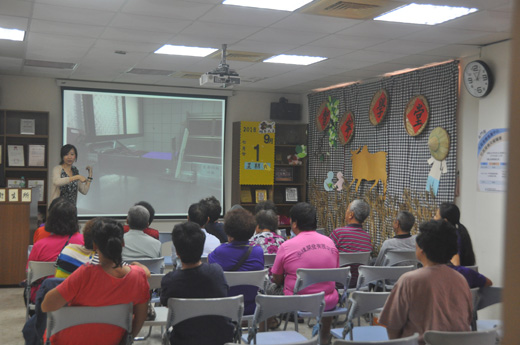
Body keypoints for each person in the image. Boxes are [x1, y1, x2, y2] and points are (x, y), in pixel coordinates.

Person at [41, 218, 150, 345]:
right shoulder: (138, 277)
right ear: (123, 243)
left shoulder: (85, 274)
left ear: (94, 245)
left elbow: (46, 305)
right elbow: (140, 317)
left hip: (68, 340)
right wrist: (128, 339)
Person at [378, 220, 473, 344]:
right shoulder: (461, 280)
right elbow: (467, 319)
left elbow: (393, 325)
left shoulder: (409, 281)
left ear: (421, 248)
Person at [271, 202, 339, 345]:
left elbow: (276, 279)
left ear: (294, 223)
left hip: (297, 302)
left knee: (267, 290)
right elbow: (335, 274)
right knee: (330, 289)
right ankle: (324, 336)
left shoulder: (286, 246)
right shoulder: (330, 243)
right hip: (328, 301)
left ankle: (265, 331)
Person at [161, 221, 235, 345]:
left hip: (184, 338)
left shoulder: (170, 280)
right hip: (220, 338)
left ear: (177, 253)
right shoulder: (217, 272)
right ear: (201, 248)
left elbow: (167, 307)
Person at [208, 208, 264, 315]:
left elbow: (210, 264)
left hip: (224, 308)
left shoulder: (220, 251)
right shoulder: (258, 252)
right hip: (251, 308)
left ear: (228, 232)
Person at [27, 199, 84, 302]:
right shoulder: (84, 241)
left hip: (46, 296)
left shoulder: (39, 245)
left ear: (50, 220)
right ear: (74, 220)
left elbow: (29, 273)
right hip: (78, 295)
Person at [330, 199, 373, 287]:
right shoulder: (367, 237)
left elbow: (327, 254)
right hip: (359, 283)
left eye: (347, 209)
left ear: (351, 215)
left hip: (337, 282)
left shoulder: (338, 233)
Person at [171, 202, 220, 268]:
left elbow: (175, 263)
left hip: (183, 276)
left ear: (188, 219)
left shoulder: (178, 238)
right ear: (208, 220)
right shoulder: (216, 241)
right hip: (207, 277)